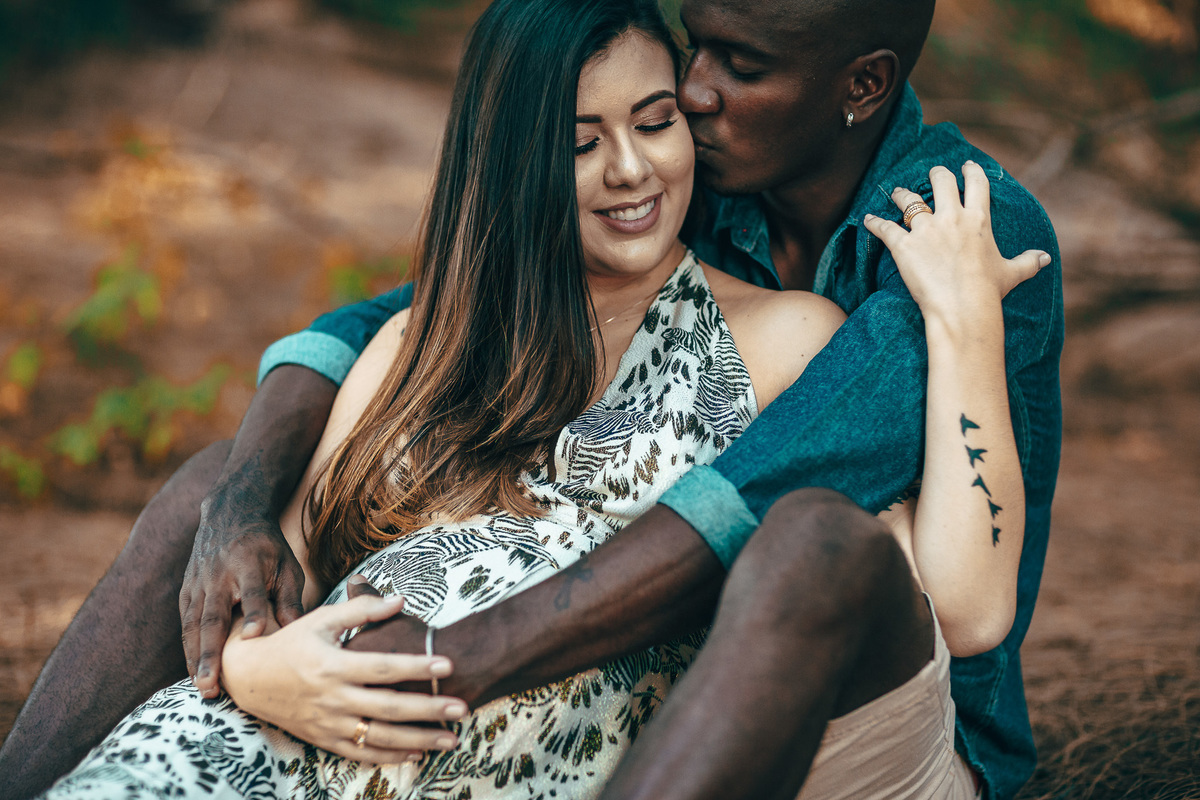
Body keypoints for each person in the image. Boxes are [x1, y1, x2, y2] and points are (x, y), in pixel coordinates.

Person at [0, 0, 1063, 798]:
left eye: (731, 68)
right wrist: (245, 588)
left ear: (861, 84)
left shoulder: (953, 231)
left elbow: (795, 508)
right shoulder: (718, 180)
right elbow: (409, 314)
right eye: (692, 50)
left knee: (807, 539)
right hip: (617, 695)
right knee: (212, 486)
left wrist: (459, 661)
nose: (692, 95)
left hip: (867, 694)